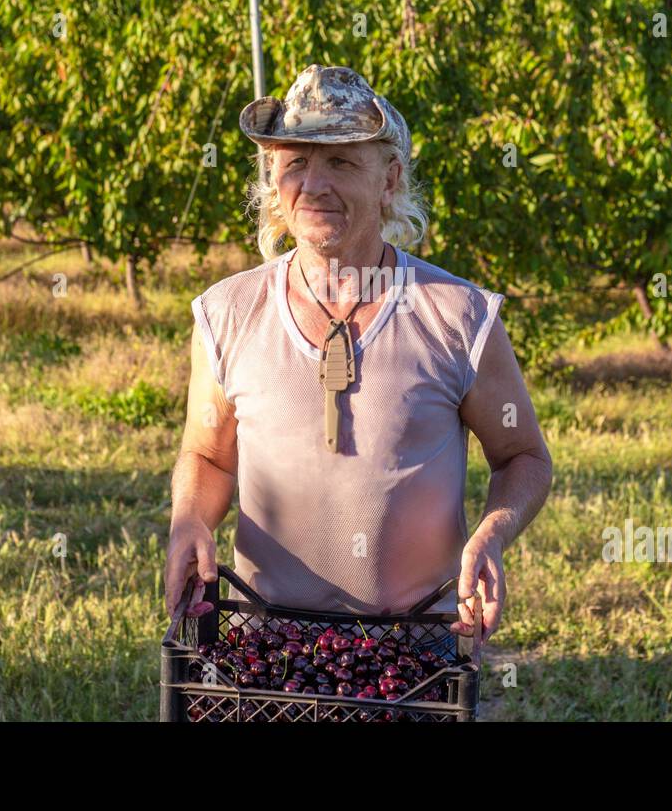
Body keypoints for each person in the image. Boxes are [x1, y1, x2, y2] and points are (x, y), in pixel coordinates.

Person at [165, 64, 551, 651]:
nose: (313, 184)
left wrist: (493, 533)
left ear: (389, 180)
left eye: (341, 162)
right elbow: (208, 456)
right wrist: (190, 521)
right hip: (267, 649)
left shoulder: (459, 315)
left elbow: (523, 456)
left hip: (414, 652)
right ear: (274, 178)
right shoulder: (227, 313)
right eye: (294, 162)